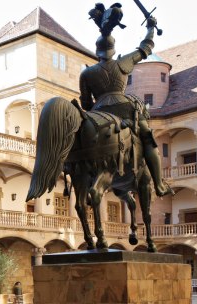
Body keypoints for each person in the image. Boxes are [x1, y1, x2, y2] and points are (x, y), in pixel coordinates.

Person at [78, 14, 173, 197]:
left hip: (98, 114)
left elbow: (86, 103)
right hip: (125, 109)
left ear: (97, 52)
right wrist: (151, 27)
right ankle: (159, 184)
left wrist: (96, 110)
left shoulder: (87, 73)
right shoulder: (123, 62)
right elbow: (146, 47)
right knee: (147, 137)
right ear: (113, 51)